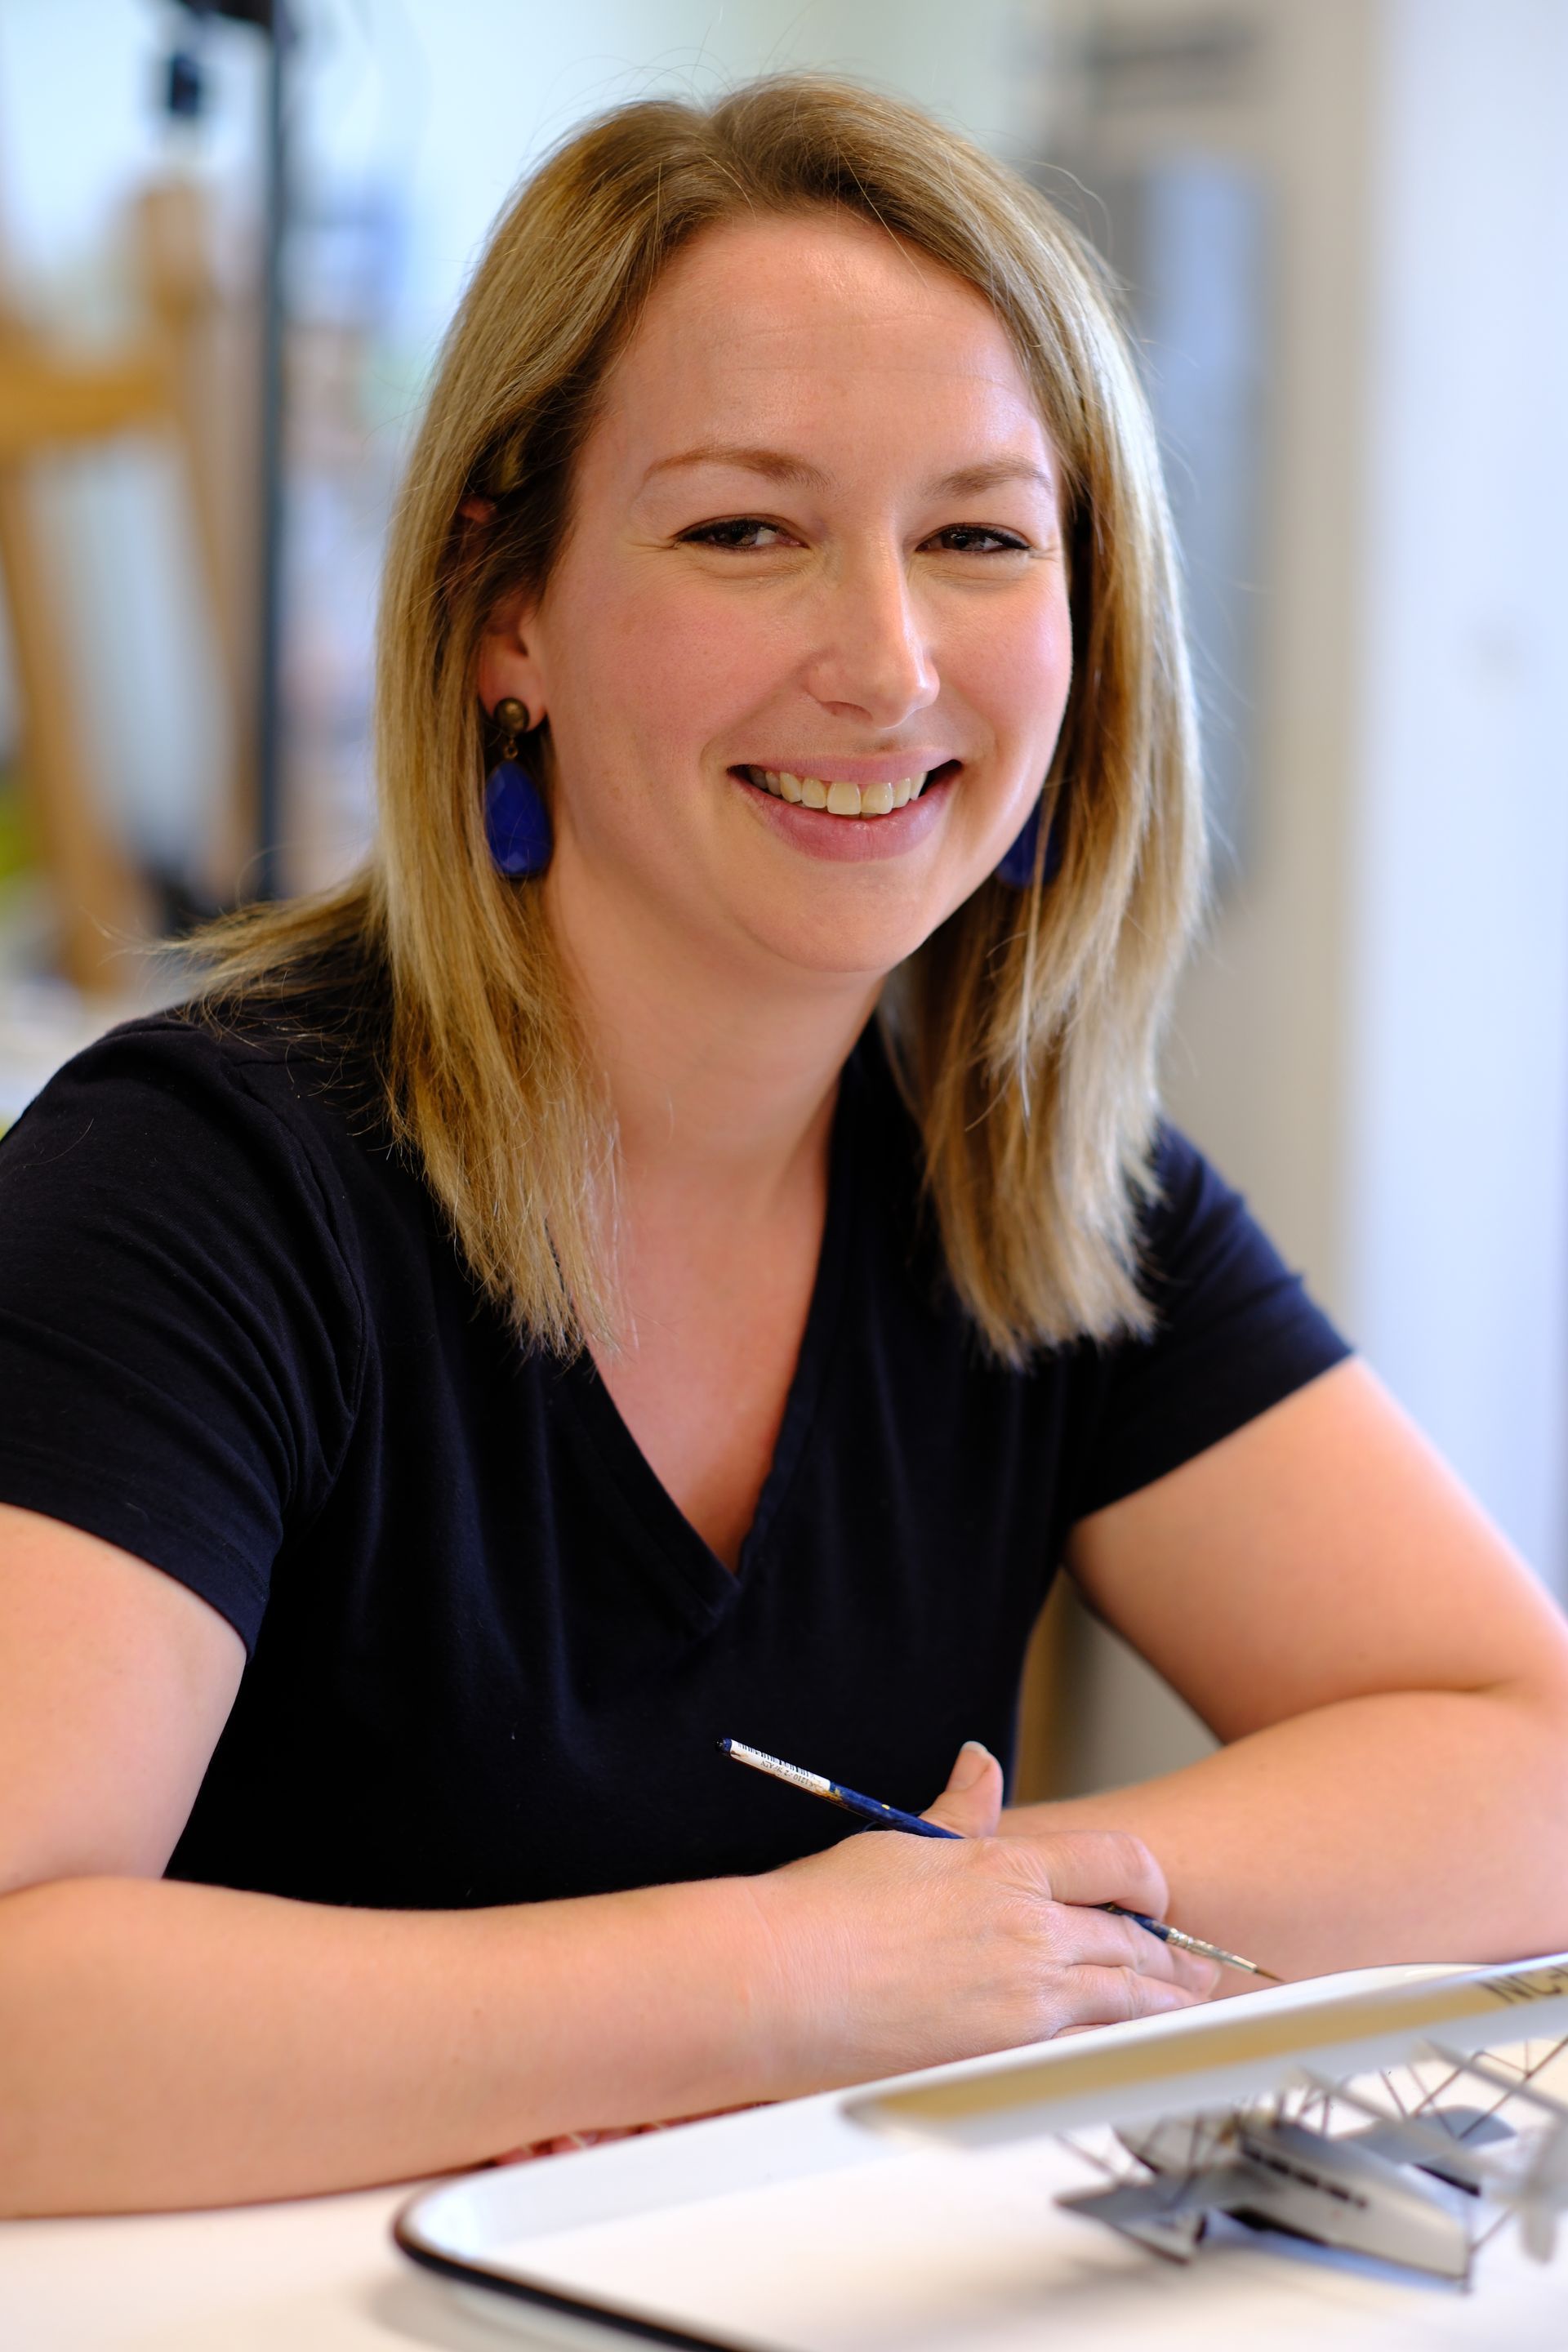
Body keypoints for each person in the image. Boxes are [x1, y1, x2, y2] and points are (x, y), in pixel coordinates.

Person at [2, 75, 1566, 2220]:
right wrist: (779, 1976)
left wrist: (999, 1917)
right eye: (746, 529)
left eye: (980, 535)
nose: (888, 659)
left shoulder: (1033, 1182)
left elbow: (1533, 1761)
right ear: (508, 617)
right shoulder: (194, 1187)